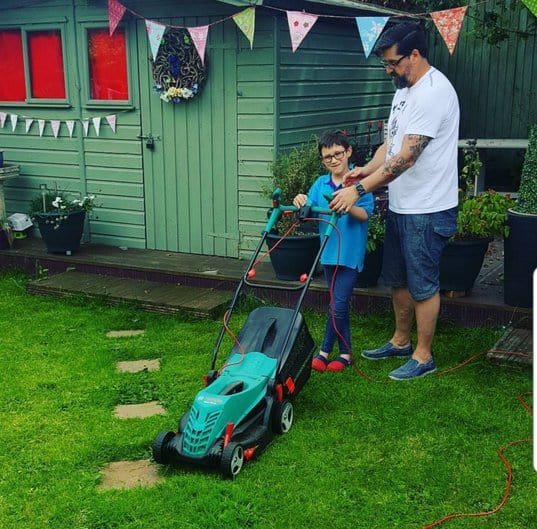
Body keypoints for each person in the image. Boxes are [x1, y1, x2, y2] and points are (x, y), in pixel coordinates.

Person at [329, 22, 459, 380]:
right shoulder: (403, 90)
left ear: (414, 55)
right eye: (385, 63)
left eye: (393, 62)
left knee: (423, 283)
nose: (389, 70)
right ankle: (401, 341)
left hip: (429, 208)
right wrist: (363, 170)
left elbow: (406, 158)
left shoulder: (434, 93)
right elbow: (390, 146)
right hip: (403, 204)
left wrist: (358, 189)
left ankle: (423, 355)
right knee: (398, 279)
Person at [293, 130, 374, 372]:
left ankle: (324, 350)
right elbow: (310, 209)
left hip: (349, 255)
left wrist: (347, 204)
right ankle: (346, 352)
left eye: (337, 154)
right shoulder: (320, 184)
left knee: (337, 306)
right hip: (328, 254)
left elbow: (365, 214)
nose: (333, 160)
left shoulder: (359, 183)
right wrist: (301, 200)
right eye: (327, 157)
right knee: (337, 303)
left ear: (348, 152)